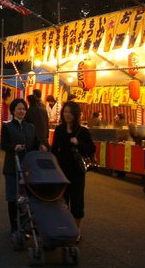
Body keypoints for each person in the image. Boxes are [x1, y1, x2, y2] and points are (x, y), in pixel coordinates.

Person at [50, 101, 95, 242]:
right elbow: (54, 149)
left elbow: (91, 149)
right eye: (65, 112)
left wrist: (78, 143)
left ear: (76, 114)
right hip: (61, 171)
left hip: (77, 172)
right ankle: (63, 228)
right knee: (62, 201)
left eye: (70, 112)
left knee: (77, 202)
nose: (67, 115)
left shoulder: (83, 131)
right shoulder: (59, 129)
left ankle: (76, 230)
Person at [0, 98, 45, 234]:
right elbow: (4, 145)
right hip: (12, 167)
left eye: (24, 109)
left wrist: (42, 146)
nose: (22, 111)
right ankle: (14, 227)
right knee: (13, 197)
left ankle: (28, 225)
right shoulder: (7, 127)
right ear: (13, 110)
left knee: (28, 197)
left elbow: (37, 142)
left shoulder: (30, 127)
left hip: (28, 168)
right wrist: (15, 147)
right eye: (19, 108)